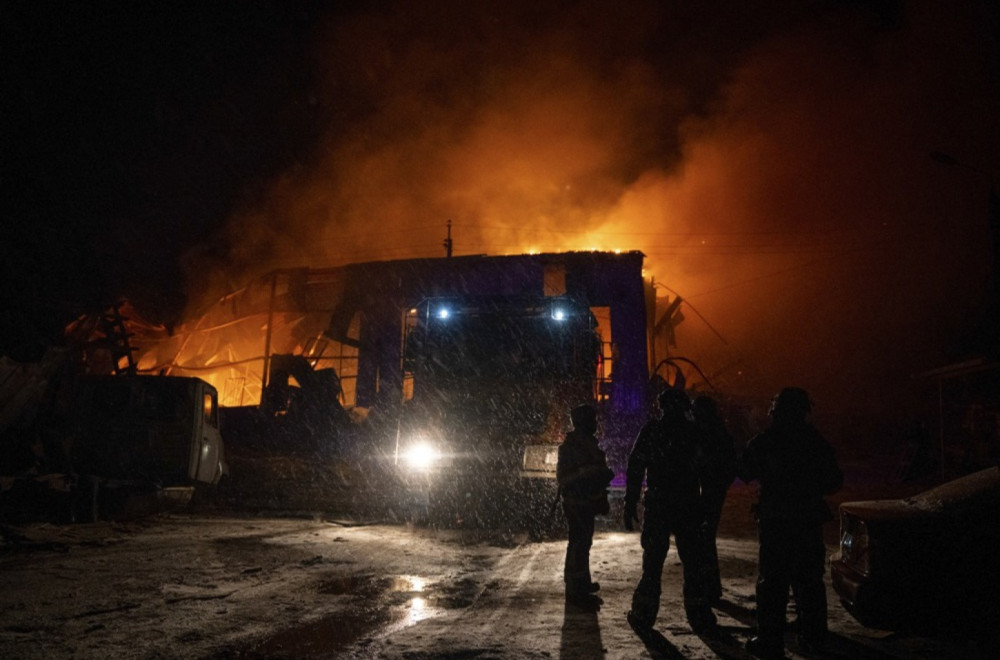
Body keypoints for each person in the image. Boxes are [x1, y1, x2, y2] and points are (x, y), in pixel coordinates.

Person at [739, 387, 843, 660]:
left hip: (776, 523)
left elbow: (744, 471)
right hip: (807, 522)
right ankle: (813, 638)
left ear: (776, 411)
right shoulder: (815, 443)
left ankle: (770, 642)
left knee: (773, 583)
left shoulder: (765, 442)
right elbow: (834, 481)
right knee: (809, 582)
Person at [624, 388, 717, 635]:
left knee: (653, 563)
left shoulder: (653, 431)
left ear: (661, 406)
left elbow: (635, 467)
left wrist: (630, 501)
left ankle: (644, 615)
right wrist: (708, 507)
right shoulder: (694, 433)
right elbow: (709, 472)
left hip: (660, 505)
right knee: (693, 563)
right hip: (688, 505)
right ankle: (699, 616)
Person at [556, 403, 615, 606]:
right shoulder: (571, 447)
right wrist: (592, 474)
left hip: (585, 501)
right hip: (576, 502)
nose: (595, 424)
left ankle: (581, 582)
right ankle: (575, 589)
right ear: (583, 422)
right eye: (592, 420)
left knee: (583, 543)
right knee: (578, 544)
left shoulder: (586, 443)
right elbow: (565, 477)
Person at [692, 394, 737, 605]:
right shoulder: (719, 433)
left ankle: (707, 588)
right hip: (712, 491)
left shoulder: (705, 434)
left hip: (707, 492)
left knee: (703, 539)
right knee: (705, 538)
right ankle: (709, 587)